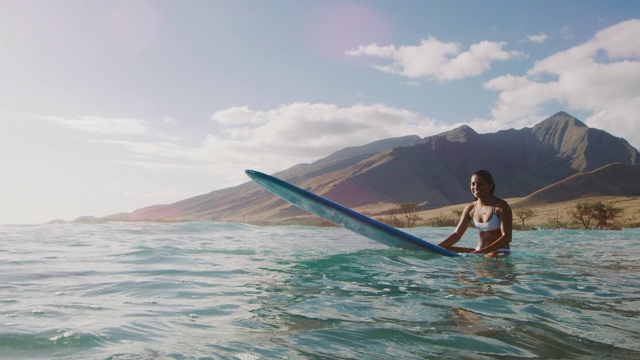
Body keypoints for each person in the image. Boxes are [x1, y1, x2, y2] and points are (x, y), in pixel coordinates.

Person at [438, 170, 512, 257]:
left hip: (498, 251)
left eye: (480, 184)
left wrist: (482, 252)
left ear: (490, 185)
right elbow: (457, 235)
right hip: (479, 251)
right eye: (473, 184)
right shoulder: (470, 208)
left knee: (490, 256)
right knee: (443, 250)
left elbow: (507, 237)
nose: (476, 187)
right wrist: (435, 248)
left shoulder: (500, 206)